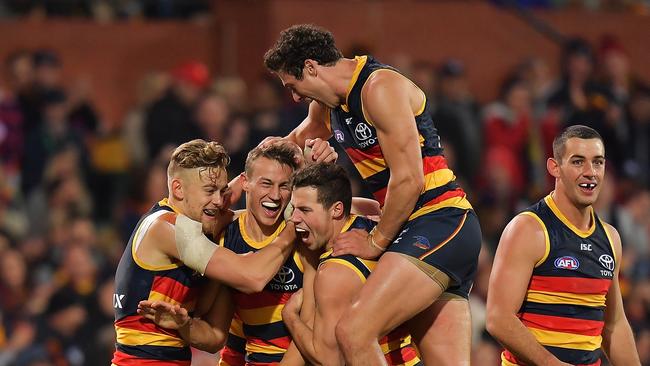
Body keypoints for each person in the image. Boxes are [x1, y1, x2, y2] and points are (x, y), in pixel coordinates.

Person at [263, 24, 481, 364]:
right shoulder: (329, 103)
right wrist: (242, 179)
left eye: (294, 86)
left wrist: (376, 241)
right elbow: (296, 140)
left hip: (439, 222)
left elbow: (410, 180)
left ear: (310, 67)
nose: (294, 97)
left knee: (353, 332)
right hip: (420, 229)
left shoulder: (379, 88)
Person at [112, 139, 298, 366]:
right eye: (210, 191)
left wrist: (184, 325)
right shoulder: (166, 228)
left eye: (222, 191)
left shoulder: (207, 239)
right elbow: (253, 277)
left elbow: (214, 338)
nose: (220, 201)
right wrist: (292, 227)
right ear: (178, 188)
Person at [485, 125, 640, 366]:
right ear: (554, 167)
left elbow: (614, 324)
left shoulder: (611, 238)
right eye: (578, 162)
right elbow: (498, 318)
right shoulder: (528, 229)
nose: (590, 172)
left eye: (597, 162)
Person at [281, 163, 421, 366]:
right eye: (294, 208)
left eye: (304, 210)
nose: (294, 218)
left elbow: (328, 360)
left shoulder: (334, 272)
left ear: (337, 209)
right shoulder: (371, 225)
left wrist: (291, 317)